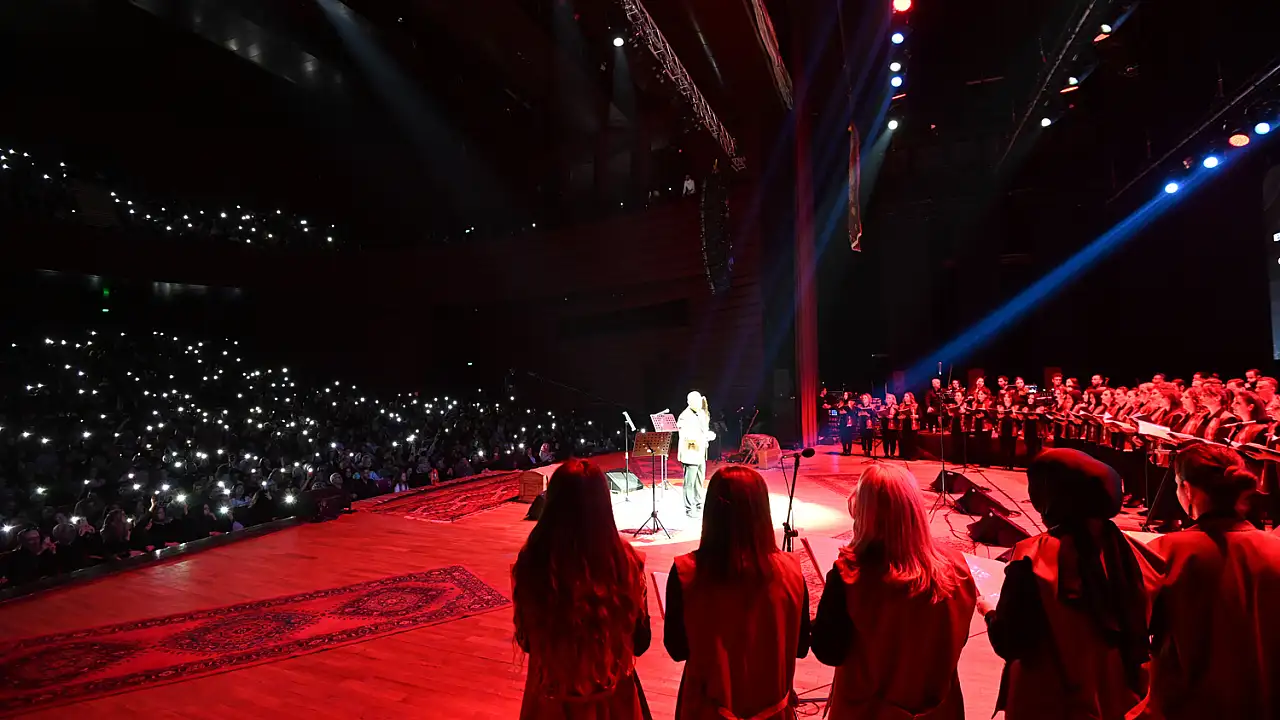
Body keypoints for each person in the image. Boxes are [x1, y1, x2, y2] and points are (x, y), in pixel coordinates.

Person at [978, 449, 1164, 720]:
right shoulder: (1138, 552)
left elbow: (1009, 642)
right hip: (1120, 699)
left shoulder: (1032, 558)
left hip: (1050, 701)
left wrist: (988, 612)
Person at [812, 464, 977, 719]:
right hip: (940, 711)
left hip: (869, 713)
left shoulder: (848, 577)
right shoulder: (958, 568)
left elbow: (829, 652)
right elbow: (958, 638)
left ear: (863, 513)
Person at [1128, 443, 1280, 719]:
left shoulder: (1165, 552)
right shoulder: (1275, 548)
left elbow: (1134, 631)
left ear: (1187, 489)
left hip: (1188, 706)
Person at [664, 466, 810, 720]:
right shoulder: (793, 572)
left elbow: (677, 650)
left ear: (712, 513)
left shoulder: (685, 573)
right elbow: (800, 648)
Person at [513, 459, 652, 720]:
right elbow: (640, 643)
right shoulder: (628, 561)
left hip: (549, 700)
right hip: (613, 701)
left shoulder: (531, 560)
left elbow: (526, 642)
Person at [678, 391, 716, 519]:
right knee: (689, 483)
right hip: (690, 454)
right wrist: (702, 437)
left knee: (700, 481)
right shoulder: (684, 416)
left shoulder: (700, 413)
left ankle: (699, 504)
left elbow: (703, 429)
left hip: (700, 454)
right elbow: (685, 436)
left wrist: (707, 435)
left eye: (700, 401)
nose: (699, 403)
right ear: (689, 402)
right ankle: (689, 508)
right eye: (697, 401)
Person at [879, 393, 900, 458]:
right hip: (884, 424)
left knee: (892, 440)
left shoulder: (896, 407)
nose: (888, 399)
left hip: (892, 425)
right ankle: (886, 453)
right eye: (887, 398)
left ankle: (892, 454)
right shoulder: (883, 407)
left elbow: (899, 415)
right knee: (885, 440)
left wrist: (893, 416)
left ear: (893, 399)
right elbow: (880, 414)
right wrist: (879, 415)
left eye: (889, 398)